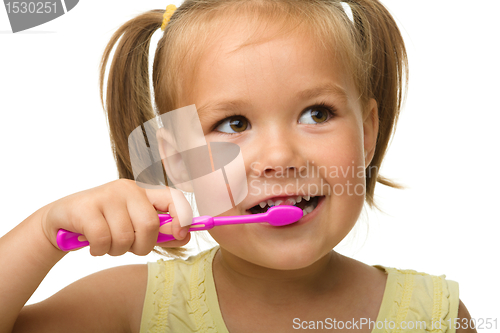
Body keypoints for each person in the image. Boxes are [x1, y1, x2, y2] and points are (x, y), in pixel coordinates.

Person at [0, 1, 477, 332]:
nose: (278, 158)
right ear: (178, 160)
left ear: (367, 132)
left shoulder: (435, 317)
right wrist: (43, 235)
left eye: (317, 114)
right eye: (232, 123)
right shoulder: (132, 307)